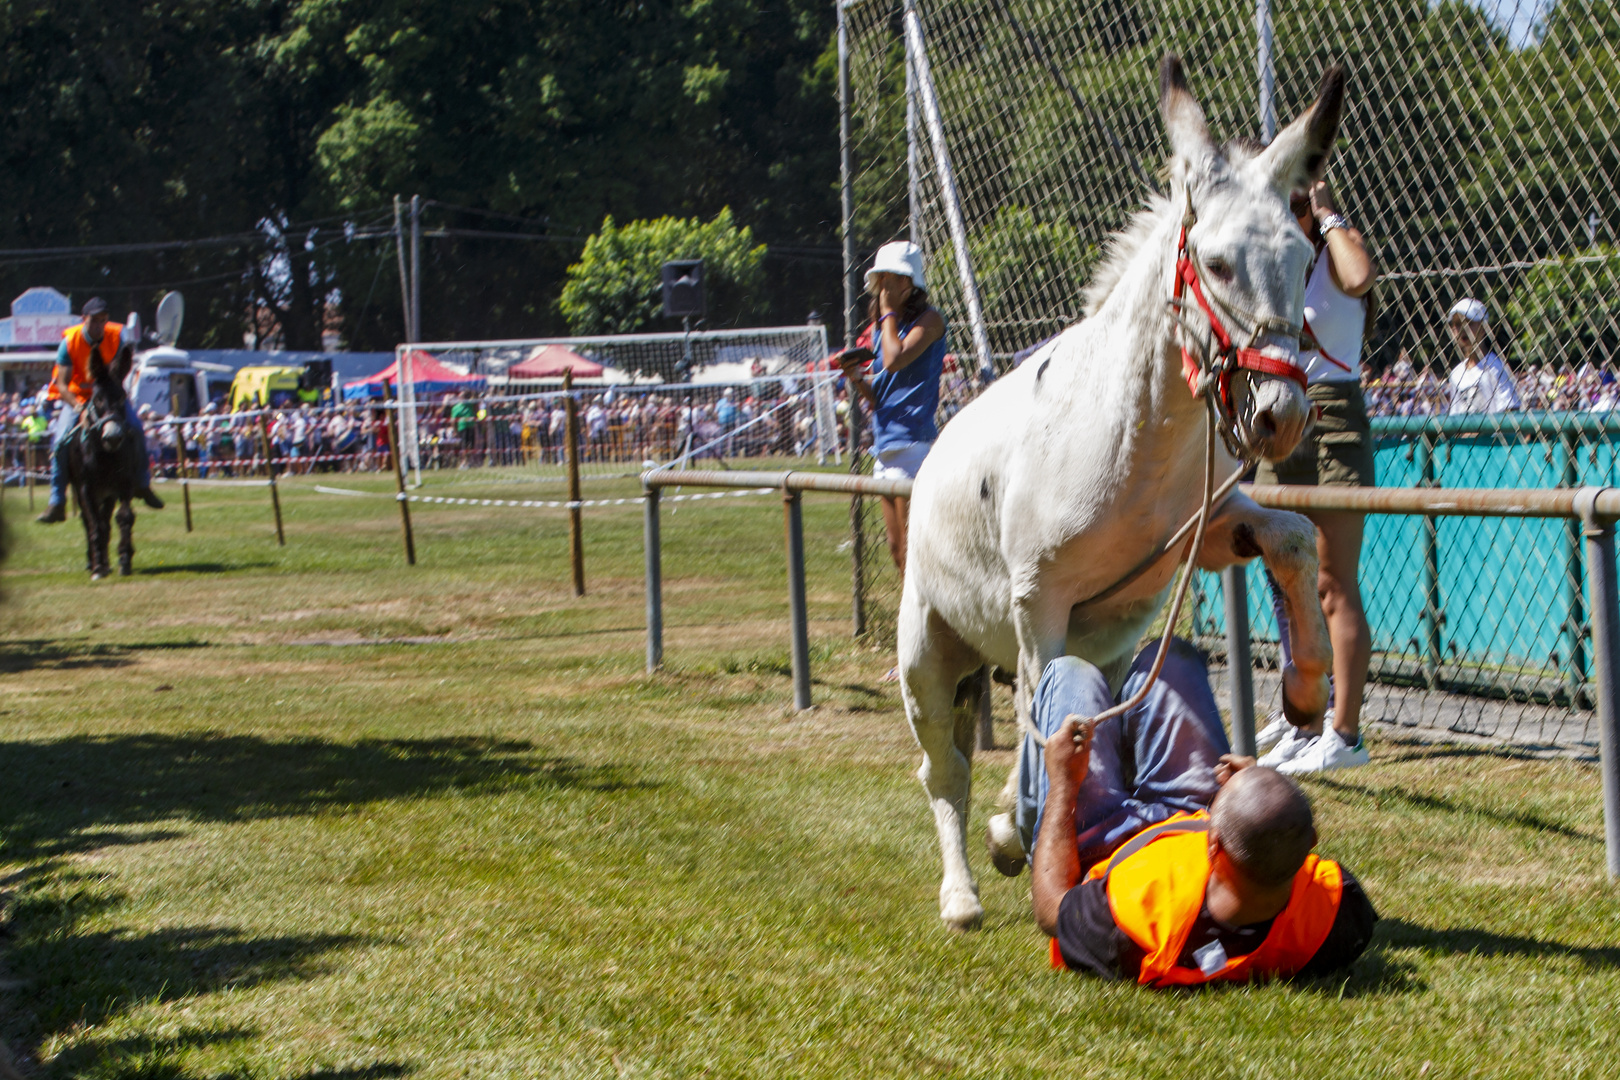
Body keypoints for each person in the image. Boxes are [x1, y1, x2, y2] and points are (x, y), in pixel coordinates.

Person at [1021, 644, 1378, 986]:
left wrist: (1063, 784)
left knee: (1070, 672)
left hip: (1109, 847)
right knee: (1171, 658)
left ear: (1213, 846)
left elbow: (1052, 911)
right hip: (1194, 818)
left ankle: (1021, 818)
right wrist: (1249, 789)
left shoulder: (1133, 924)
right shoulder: (1339, 912)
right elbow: (1265, 842)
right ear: (1310, 845)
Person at [1253, 179, 1377, 774]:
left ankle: (1345, 736)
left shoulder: (1336, 249)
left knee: (1331, 583)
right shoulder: (1276, 259)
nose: (1291, 213)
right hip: (1281, 412)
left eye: (1299, 203)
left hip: (1333, 415)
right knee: (1284, 575)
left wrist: (1328, 216)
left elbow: (1359, 279)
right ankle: (1304, 720)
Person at [836, 240, 947, 574]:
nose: (881, 286)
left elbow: (896, 359)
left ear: (908, 283)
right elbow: (880, 394)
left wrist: (887, 314)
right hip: (885, 449)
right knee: (897, 550)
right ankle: (915, 622)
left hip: (914, 447)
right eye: (879, 278)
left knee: (916, 553)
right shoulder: (883, 330)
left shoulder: (930, 321)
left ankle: (931, 623)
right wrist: (856, 378)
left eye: (889, 278)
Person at [36, 298, 162, 523]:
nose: (98, 325)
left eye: (103, 321)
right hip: (78, 399)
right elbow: (62, 384)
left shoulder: (116, 337)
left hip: (108, 398)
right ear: (84, 319)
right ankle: (57, 502)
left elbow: (118, 374)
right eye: (94, 320)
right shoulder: (69, 342)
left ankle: (143, 485)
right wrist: (79, 407)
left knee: (136, 428)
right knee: (60, 443)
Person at [1445, 299, 1520, 413]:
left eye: (1469, 323)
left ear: (1484, 328)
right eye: (1457, 325)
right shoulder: (1456, 374)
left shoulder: (1495, 367)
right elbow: (1454, 417)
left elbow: (1511, 410)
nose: (1463, 330)